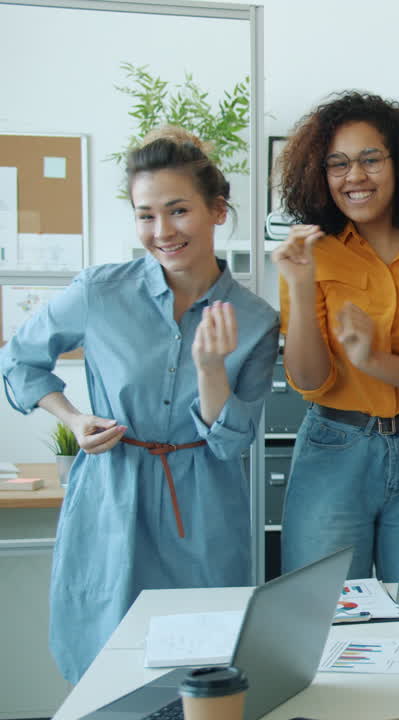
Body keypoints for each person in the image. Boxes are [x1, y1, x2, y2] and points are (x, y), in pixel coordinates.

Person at [0, 127, 279, 682]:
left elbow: (230, 443)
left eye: (178, 211)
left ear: (217, 211)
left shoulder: (255, 319)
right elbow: (18, 361)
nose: (162, 231)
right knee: (103, 662)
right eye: (145, 215)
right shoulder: (99, 291)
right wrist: (74, 419)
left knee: (203, 668)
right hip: (111, 493)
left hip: (203, 505)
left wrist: (208, 370)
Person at [272, 91, 399, 582]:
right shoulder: (308, 254)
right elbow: (309, 382)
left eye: (370, 159)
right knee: (324, 621)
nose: (355, 177)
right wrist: (301, 290)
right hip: (331, 451)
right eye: (337, 164)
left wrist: (375, 361)